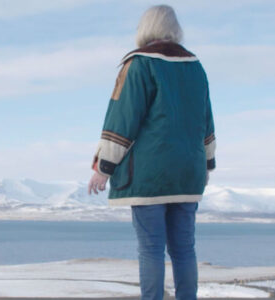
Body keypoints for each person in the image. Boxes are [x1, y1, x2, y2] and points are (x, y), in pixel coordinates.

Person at [87, 5, 216, 300]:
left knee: (151, 250)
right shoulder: (195, 67)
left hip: (150, 177)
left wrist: (102, 167)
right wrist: (206, 165)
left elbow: (122, 119)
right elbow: (206, 120)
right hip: (188, 175)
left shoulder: (139, 64)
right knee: (184, 249)